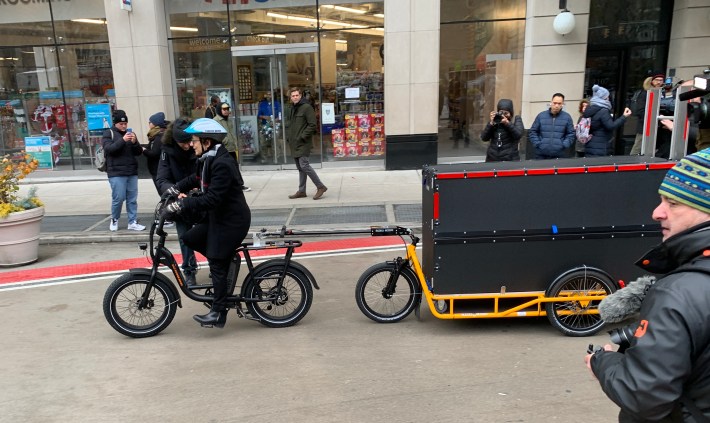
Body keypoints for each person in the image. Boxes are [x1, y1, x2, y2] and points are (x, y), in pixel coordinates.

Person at [584, 148, 710, 422]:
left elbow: (644, 396)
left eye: (673, 203)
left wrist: (604, 361)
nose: (657, 212)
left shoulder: (677, 293)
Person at [162, 118, 251, 328]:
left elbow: (212, 199)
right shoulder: (209, 159)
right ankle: (224, 256)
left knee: (216, 262)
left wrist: (182, 206)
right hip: (219, 217)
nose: (191, 144)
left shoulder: (222, 164)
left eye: (194, 141)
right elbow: (195, 179)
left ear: (207, 142)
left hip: (232, 221)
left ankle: (218, 312)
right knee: (189, 238)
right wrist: (174, 190)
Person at [155, 117, 198, 286]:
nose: (188, 146)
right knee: (184, 237)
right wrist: (174, 191)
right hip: (180, 199)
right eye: (184, 143)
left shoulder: (198, 146)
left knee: (210, 233)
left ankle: (219, 264)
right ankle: (189, 270)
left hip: (200, 197)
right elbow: (162, 179)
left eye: (190, 141)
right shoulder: (167, 152)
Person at [102, 109, 145, 232]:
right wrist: (123, 140)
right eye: (121, 124)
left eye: (125, 123)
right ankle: (115, 219)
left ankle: (132, 221)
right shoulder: (108, 134)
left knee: (132, 199)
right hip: (116, 172)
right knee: (118, 198)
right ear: (115, 123)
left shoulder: (130, 134)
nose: (124, 126)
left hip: (131, 171)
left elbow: (138, 152)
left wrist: (135, 142)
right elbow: (109, 149)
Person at [285, 87, 327, 200]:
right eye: (293, 96)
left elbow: (312, 125)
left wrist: (302, 137)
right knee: (300, 168)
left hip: (303, 142)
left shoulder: (307, 107)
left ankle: (320, 186)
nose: (295, 97)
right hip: (294, 143)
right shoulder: (292, 108)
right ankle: (302, 191)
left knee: (304, 165)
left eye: (297, 95)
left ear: (300, 96)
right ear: (290, 97)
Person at [582, 85, 632, 157]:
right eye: (608, 96)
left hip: (590, 144)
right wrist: (624, 117)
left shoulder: (590, 109)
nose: (609, 98)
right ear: (604, 98)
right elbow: (610, 126)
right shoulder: (603, 111)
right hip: (600, 146)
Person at [213, 102, 250, 192]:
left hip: (232, 147)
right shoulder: (216, 120)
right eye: (224, 109)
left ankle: (237, 184)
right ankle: (238, 185)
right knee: (231, 167)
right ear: (219, 110)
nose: (226, 111)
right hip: (224, 148)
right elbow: (216, 134)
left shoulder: (228, 120)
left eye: (227, 109)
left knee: (234, 166)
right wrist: (225, 141)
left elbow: (231, 133)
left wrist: (234, 142)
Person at [528, 93, 576, 159]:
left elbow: (571, 134)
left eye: (559, 103)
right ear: (551, 102)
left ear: (562, 104)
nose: (556, 105)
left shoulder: (567, 117)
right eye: (555, 103)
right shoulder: (541, 116)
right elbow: (533, 132)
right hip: (541, 155)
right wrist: (538, 144)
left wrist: (564, 145)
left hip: (559, 155)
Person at [629, 72, 665, 155]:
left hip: (658, 126)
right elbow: (641, 111)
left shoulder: (662, 93)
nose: (659, 82)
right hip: (645, 125)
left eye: (661, 80)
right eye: (657, 80)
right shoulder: (644, 93)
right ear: (651, 81)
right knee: (638, 147)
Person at [143, 112, 168, 194]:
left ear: (154, 123)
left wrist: (144, 150)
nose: (149, 124)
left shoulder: (158, 136)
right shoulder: (155, 135)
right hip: (156, 169)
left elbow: (154, 153)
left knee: (162, 192)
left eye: (150, 122)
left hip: (157, 169)